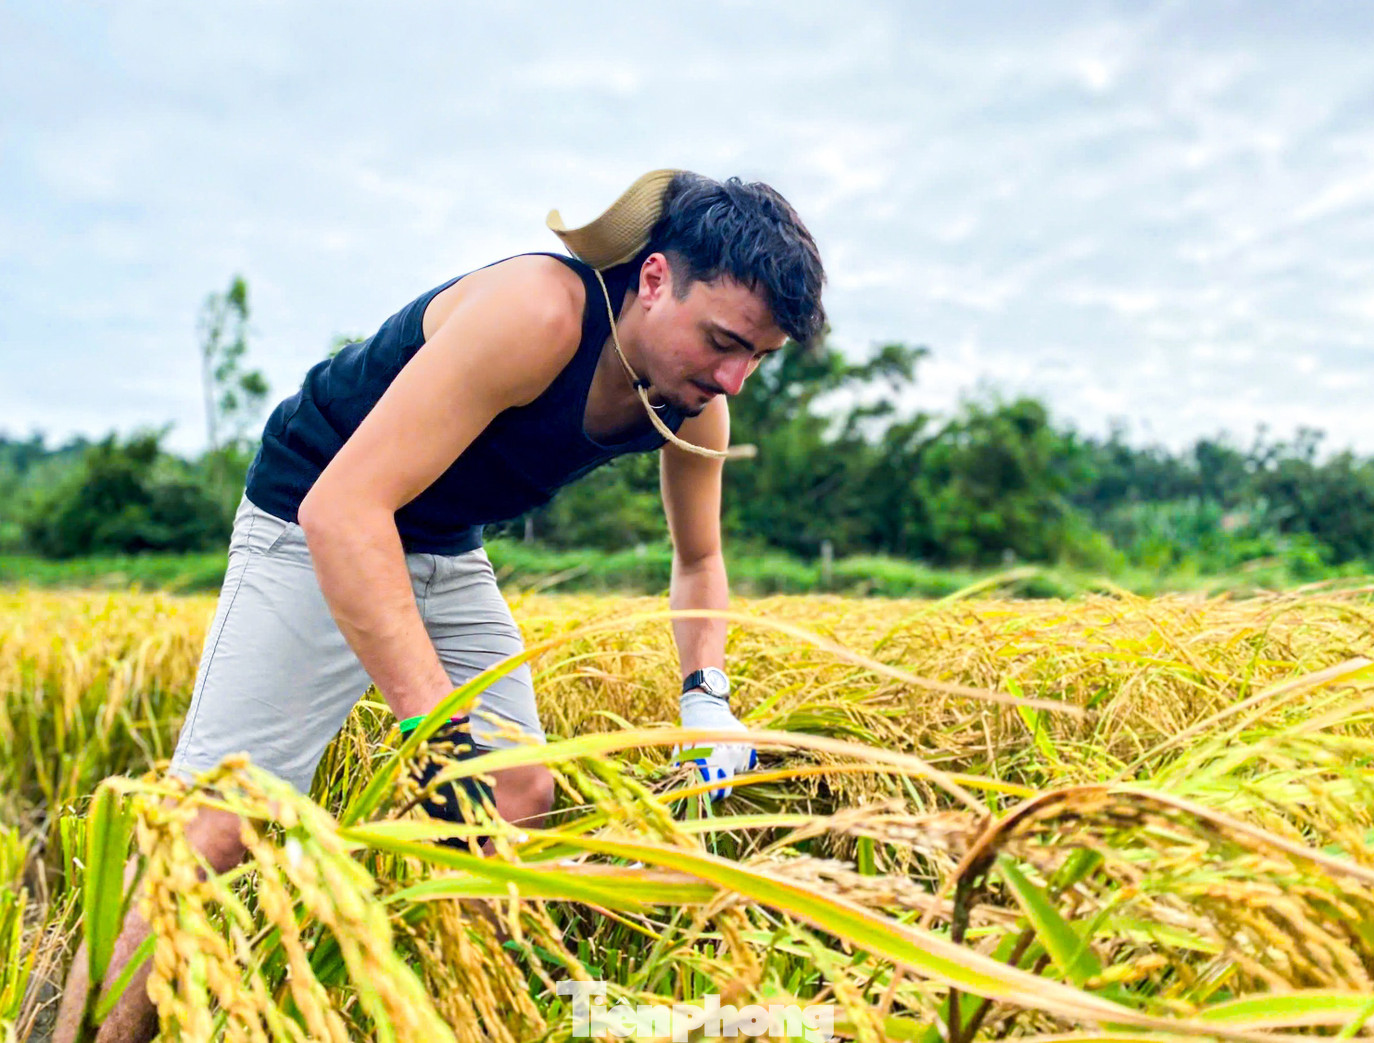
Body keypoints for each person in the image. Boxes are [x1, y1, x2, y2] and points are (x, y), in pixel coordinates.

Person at [53, 168, 825, 1043]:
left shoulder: (696, 406)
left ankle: (419, 1010)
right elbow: (343, 511)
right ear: (653, 280)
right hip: (315, 512)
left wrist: (707, 696)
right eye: (723, 340)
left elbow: (701, 556)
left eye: (757, 357)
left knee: (519, 788)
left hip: (444, 542)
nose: (733, 379)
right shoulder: (539, 311)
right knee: (220, 821)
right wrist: (436, 741)